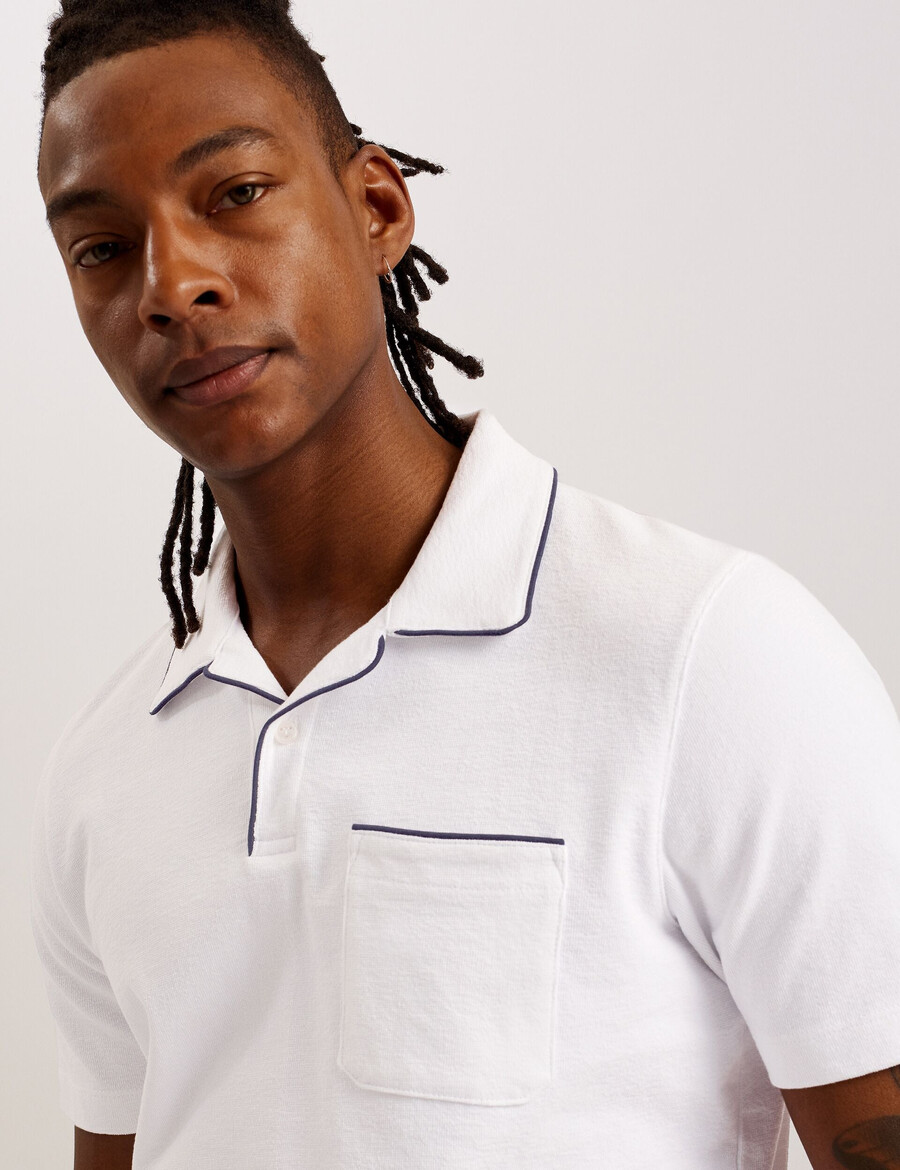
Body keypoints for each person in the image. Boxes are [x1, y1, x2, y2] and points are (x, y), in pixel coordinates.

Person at [29, 2, 900, 1169]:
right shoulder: (104, 766)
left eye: (235, 193)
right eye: (100, 246)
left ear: (378, 209)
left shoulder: (708, 654)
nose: (172, 283)